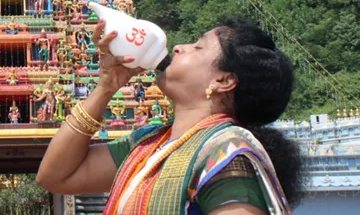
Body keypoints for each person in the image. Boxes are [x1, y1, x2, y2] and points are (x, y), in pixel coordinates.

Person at [37, 18, 304, 215]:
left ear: (223, 80)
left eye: (198, 47)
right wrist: (105, 88)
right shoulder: (148, 145)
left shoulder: (227, 155)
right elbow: (56, 176)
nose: (178, 48)